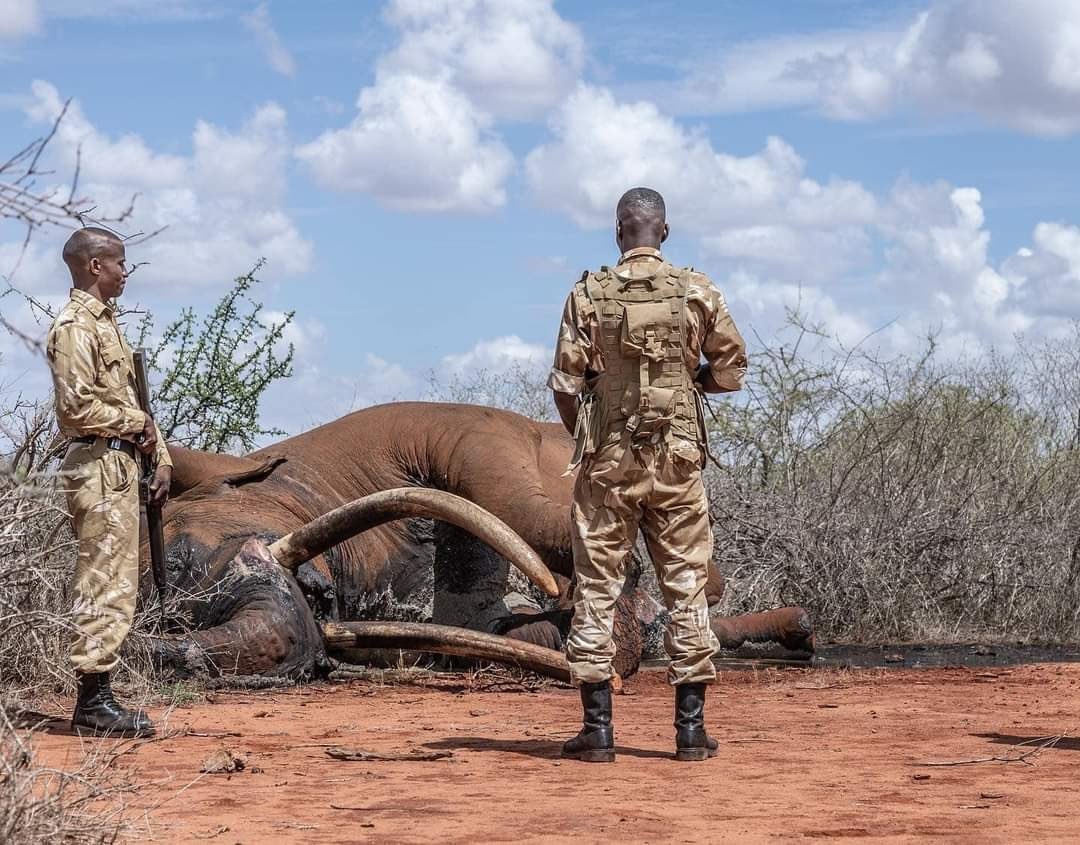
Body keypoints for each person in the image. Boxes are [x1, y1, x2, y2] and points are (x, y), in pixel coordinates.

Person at [548, 187, 747, 763]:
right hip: (677, 462)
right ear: (664, 231)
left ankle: (598, 732)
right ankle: (689, 732)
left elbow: (565, 384)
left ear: (618, 233)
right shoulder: (698, 290)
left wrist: (588, 436)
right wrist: (692, 384)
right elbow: (732, 369)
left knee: (597, 591)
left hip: (608, 462)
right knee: (686, 588)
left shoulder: (588, 293)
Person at [46, 227, 172, 737]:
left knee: (118, 580)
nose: (126, 272)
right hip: (97, 466)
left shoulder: (108, 325)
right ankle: (94, 704)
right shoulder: (76, 326)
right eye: (120, 262)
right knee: (103, 580)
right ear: (95, 265)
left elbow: (131, 402)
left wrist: (158, 454)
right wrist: (135, 427)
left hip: (119, 466)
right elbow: (75, 409)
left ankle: (101, 697)